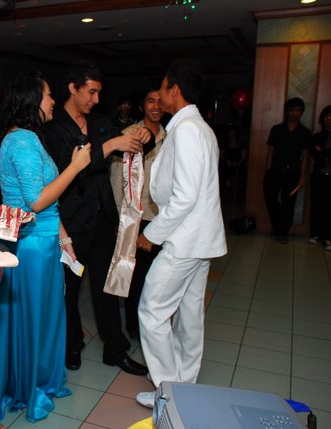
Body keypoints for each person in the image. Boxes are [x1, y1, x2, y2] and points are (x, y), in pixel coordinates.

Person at [0, 71, 91, 423]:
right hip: (31, 248)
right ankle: (28, 388)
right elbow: (36, 201)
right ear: (32, 100)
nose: (52, 101)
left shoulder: (30, 138)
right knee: (34, 320)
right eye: (48, 95)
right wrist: (75, 167)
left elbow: (48, 206)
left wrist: (64, 238)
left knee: (45, 317)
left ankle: (41, 380)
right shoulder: (22, 141)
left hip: (43, 242)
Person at [43, 60, 150, 374]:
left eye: (99, 93)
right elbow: (68, 166)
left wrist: (142, 136)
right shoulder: (51, 127)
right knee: (69, 290)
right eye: (91, 92)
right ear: (73, 88)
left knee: (108, 288)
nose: (96, 99)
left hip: (103, 218)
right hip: (70, 223)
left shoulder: (101, 122)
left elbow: (129, 147)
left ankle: (115, 349)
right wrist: (112, 144)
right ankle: (71, 345)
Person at [135, 59, 227, 408]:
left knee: (152, 310)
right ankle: (185, 385)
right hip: (199, 239)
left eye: (163, 87)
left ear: (175, 90)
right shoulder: (199, 127)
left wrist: (152, 234)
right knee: (189, 315)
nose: (159, 94)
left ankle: (168, 392)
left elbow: (185, 196)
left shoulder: (188, 130)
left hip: (185, 239)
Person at [109, 88, 166, 340]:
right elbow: (116, 179)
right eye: (150, 101)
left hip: (161, 217)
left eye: (160, 102)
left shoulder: (170, 136)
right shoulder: (128, 134)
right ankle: (134, 326)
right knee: (134, 277)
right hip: (135, 216)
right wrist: (120, 219)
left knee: (158, 276)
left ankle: (154, 323)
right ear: (142, 106)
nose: (156, 106)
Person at [263, 97, 310, 244]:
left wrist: (302, 176)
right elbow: (270, 150)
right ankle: (277, 227)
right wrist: (268, 169)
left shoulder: (305, 132)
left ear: (301, 112)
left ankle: (282, 233)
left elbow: (305, 156)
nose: (294, 113)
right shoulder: (276, 129)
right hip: (275, 170)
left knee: (288, 204)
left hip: (293, 173)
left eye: (298, 110)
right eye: (292, 110)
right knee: (270, 199)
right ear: (286, 111)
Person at [308, 105, 331, 251]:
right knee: (317, 204)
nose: (329, 119)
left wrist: (324, 152)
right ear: (322, 119)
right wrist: (324, 153)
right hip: (319, 175)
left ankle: (328, 237)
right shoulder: (317, 137)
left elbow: (322, 153)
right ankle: (315, 234)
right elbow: (316, 155)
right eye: (327, 116)